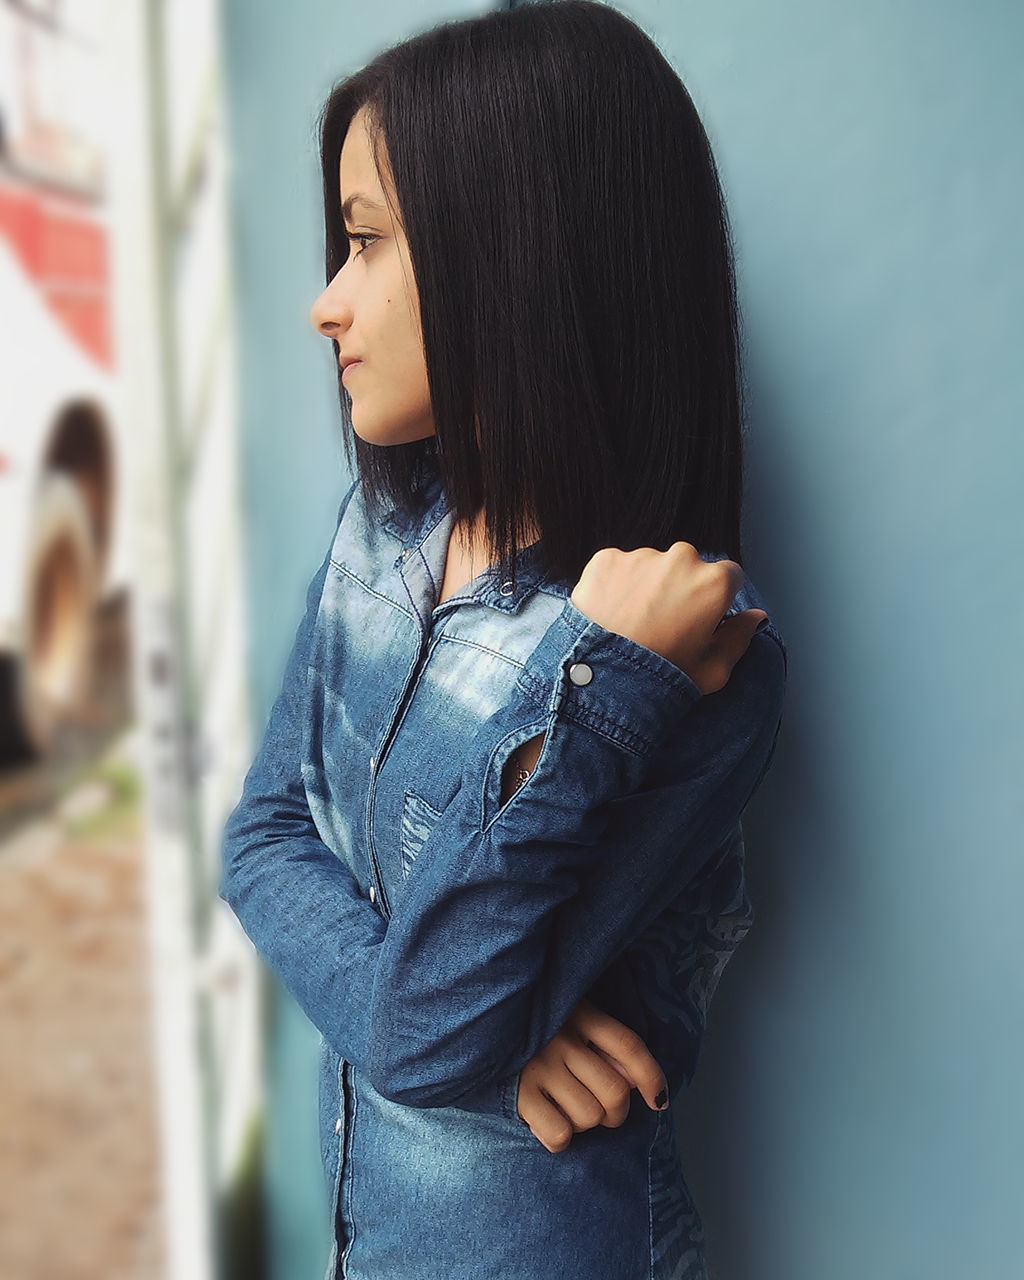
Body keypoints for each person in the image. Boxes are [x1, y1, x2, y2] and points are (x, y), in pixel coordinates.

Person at [218, 3, 787, 1277]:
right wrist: (463, 1024)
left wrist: (599, 683)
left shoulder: (699, 664)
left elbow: (430, 1030)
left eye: (365, 243)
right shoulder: (381, 531)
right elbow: (259, 837)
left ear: (517, 256)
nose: (324, 301)